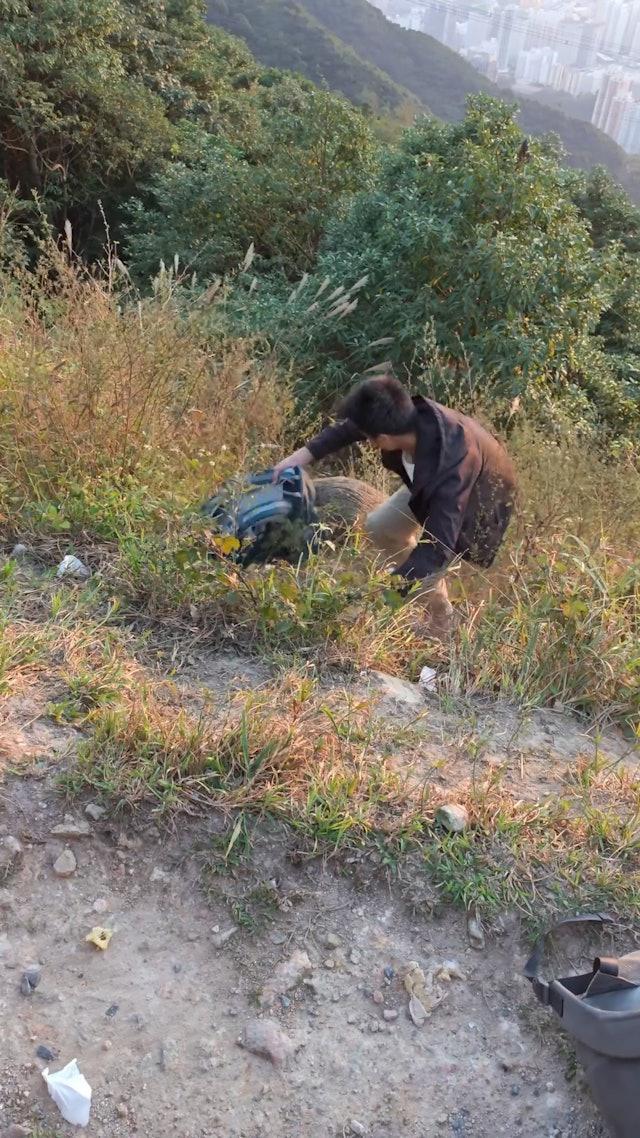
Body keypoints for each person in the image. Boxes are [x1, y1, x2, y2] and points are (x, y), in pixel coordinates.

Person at [273, 374, 517, 635]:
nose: (367, 441)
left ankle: (441, 625)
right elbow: (349, 428)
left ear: (383, 438)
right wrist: (295, 460)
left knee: (429, 560)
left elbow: (437, 548)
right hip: (427, 478)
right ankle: (439, 606)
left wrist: (381, 598)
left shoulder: (450, 476)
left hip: (477, 496)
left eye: (370, 438)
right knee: (381, 526)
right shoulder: (408, 418)